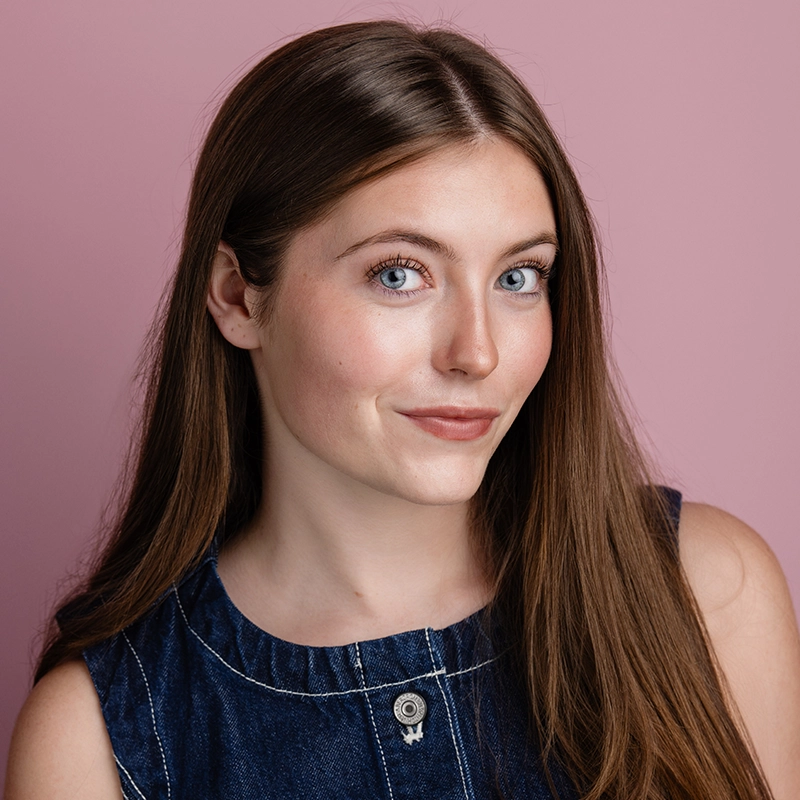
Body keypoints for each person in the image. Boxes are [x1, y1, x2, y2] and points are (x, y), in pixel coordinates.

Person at [6, 19, 800, 800]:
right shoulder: (99, 742)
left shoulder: (709, 593)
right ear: (238, 296)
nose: (477, 353)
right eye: (399, 273)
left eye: (519, 277)